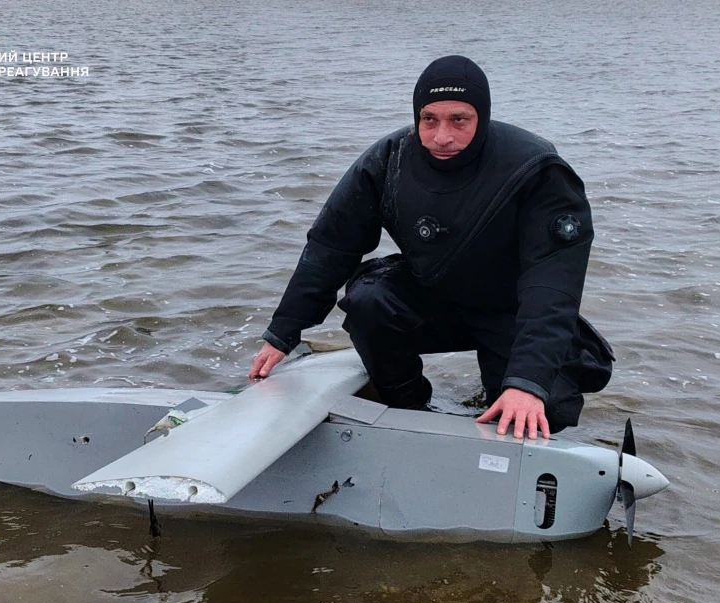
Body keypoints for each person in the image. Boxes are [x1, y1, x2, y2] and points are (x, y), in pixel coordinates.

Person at [248, 55, 614, 440]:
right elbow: (330, 246)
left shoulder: (536, 169)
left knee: (546, 409)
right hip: (432, 296)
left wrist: (527, 383)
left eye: (460, 120)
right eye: (429, 119)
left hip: (511, 309)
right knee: (369, 300)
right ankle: (407, 406)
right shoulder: (388, 160)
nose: (442, 136)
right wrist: (283, 332)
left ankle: (512, 387)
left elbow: (552, 286)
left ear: (482, 117)